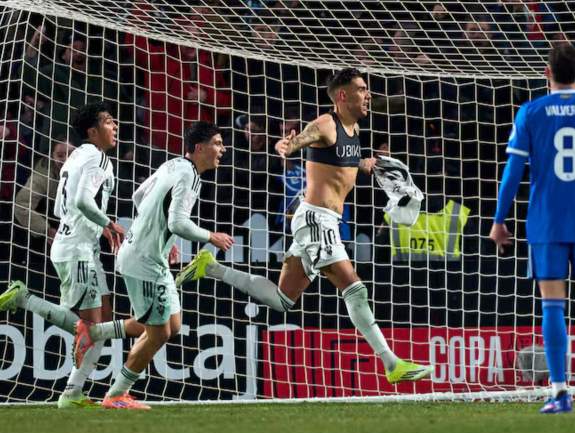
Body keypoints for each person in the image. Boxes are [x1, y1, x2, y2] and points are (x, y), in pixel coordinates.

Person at [175, 69, 431, 384]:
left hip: (321, 221)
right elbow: (298, 141)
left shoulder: (353, 130)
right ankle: (392, 364)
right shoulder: (326, 123)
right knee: (355, 288)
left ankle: (211, 267)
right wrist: (287, 144)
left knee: (282, 299)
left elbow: (335, 166)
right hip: (316, 219)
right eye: (361, 89)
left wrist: (364, 164)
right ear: (342, 95)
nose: (367, 95)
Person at [489, 43, 575, 414]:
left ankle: (559, 392)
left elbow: (512, 173)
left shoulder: (531, 111)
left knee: (553, 306)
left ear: (546, 73)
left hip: (546, 224)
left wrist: (499, 220)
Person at [77, 122, 234, 409]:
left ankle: (95, 332)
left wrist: (161, 234)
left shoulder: (173, 165)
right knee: (158, 333)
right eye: (217, 143)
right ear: (199, 148)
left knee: (172, 325)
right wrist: (211, 236)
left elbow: (139, 196)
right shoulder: (190, 176)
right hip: (144, 261)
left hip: (146, 255)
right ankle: (116, 395)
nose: (222, 149)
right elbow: (178, 222)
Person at [0, 102, 143, 408]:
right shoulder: (96, 158)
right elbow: (80, 200)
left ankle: (72, 392)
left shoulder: (77, 156)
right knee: (90, 329)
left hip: (82, 245)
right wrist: (108, 223)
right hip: (76, 248)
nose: (115, 126)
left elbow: (59, 207)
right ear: (92, 131)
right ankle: (24, 298)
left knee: (103, 321)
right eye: (108, 122)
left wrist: (98, 227)